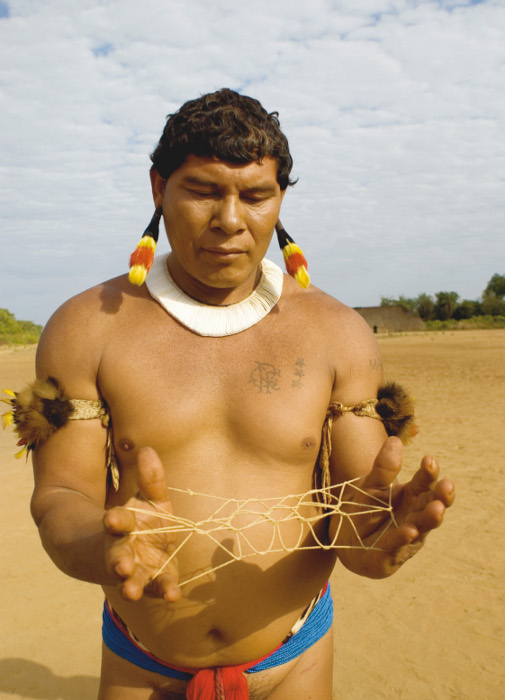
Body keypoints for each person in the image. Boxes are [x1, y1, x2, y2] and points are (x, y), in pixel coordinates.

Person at [17, 89, 454, 700]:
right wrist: (105, 546)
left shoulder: (337, 333)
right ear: (157, 188)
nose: (230, 219)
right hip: (140, 664)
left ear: (280, 199)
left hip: (294, 662)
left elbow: (356, 531)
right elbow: (62, 495)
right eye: (201, 191)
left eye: (255, 195)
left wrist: (383, 538)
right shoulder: (88, 326)